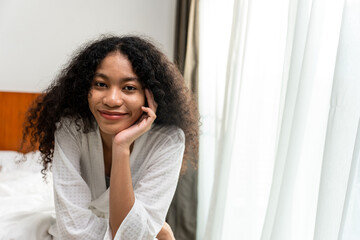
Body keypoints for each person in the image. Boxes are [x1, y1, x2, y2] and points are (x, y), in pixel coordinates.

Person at [22, 35, 199, 240]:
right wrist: (159, 230)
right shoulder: (71, 128)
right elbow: (74, 231)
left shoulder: (168, 140)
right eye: (100, 84)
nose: (112, 100)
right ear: (85, 88)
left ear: (150, 95)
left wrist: (121, 147)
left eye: (129, 88)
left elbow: (132, 236)